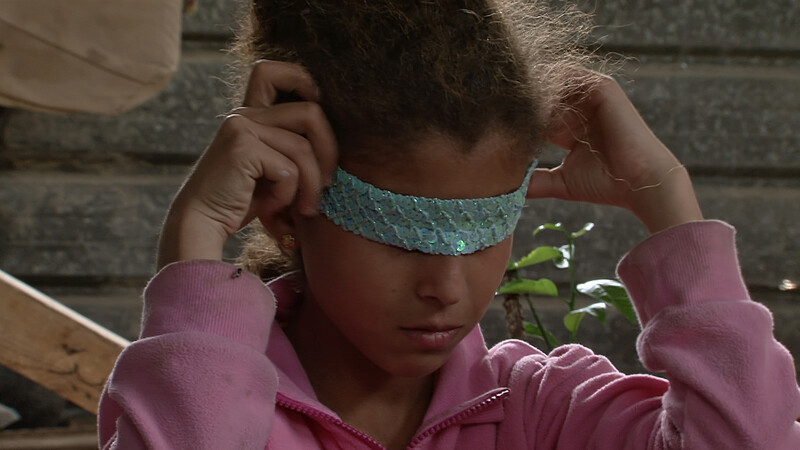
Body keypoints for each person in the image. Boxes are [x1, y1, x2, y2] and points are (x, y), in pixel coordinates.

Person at [98, 1, 800, 448]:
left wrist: (667, 200)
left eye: (484, 230)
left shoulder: (545, 413)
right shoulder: (207, 416)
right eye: (401, 235)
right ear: (285, 209)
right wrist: (194, 237)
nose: (447, 287)